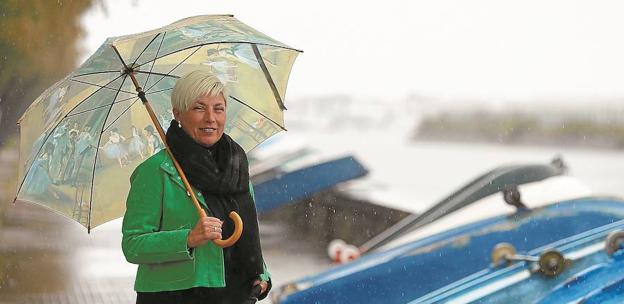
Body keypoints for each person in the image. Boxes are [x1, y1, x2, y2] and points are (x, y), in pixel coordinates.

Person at [122, 69, 271, 304]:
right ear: (178, 114)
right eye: (199, 108)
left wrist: (262, 275)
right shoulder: (155, 171)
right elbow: (133, 245)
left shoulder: (237, 167)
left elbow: (249, 236)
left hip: (234, 296)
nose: (210, 118)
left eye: (218, 108)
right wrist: (188, 238)